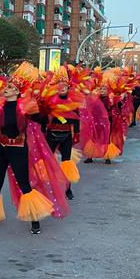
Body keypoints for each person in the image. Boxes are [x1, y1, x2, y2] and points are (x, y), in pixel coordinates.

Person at [0, 64, 70, 235]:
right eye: (7, 86)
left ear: (17, 92)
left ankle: (35, 219)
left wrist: (45, 106)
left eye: (10, 87)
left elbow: (42, 120)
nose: (6, 89)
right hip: (1, 148)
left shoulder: (26, 107)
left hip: (18, 149)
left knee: (25, 185)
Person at [43, 69, 81, 200]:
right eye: (59, 85)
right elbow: (44, 116)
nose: (62, 88)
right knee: (47, 161)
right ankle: (47, 186)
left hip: (66, 135)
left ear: (68, 87)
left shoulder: (73, 100)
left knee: (66, 162)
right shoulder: (50, 99)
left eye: (65, 85)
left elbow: (77, 118)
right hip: (51, 134)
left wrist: (76, 133)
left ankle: (67, 189)